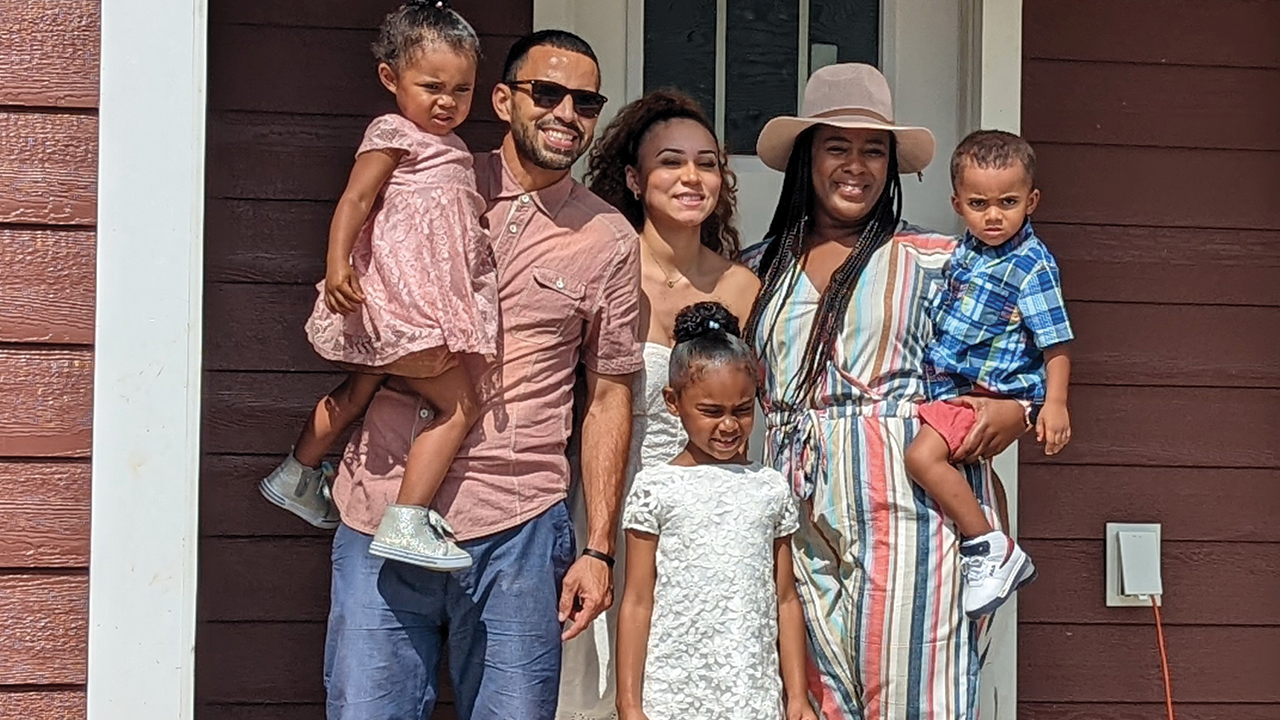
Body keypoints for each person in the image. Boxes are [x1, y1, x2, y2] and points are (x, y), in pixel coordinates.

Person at [322, 30, 642, 720]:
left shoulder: (610, 239)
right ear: (502, 100)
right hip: (381, 503)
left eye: (586, 102)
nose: (566, 114)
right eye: (546, 93)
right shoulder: (424, 175)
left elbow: (609, 394)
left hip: (517, 524)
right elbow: (345, 301)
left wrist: (598, 549)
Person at [746, 63, 1032, 719]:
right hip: (793, 505)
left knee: (911, 693)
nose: (856, 166)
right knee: (813, 698)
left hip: (909, 508)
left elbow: (1017, 362)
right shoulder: (758, 270)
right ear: (807, 157)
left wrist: (1012, 411)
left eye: (873, 150)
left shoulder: (938, 261)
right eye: (837, 147)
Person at [258, 0, 497, 571]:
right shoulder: (393, 132)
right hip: (402, 307)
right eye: (432, 87)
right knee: (460, 404)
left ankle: (296, 473)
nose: (447, 102)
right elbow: (357, 199)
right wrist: (337, 264)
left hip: (408, 308)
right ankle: (407, 519)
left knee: (357, 393)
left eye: (461, 90)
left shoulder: (454, 149)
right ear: (391, 79)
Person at [557, 89, 759, 720]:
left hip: (705, 516)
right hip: (609, 502)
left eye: (706, 163)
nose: (691, 177)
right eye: (671, 162)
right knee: (597, 685)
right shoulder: (600, 266)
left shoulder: (743, 285)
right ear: (633, 179)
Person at [614, 302, 817, 720]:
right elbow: (636, 600)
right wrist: (628, 703)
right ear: (673, 402)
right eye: (711, 412)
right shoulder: (655, 488)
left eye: (742, 410)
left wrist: (797, 696)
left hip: (750, 689)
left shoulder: (769, 487)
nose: (728, 426)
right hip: (674, 691)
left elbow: (785, 598)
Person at [905, 130, 1074, 618]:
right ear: (957, 204)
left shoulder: (1031, 266)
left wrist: (1055, 404)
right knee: (979, 473)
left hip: (991, 392)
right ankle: (1000, 537)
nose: (994, 215)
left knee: (921, 458)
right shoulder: (966, 253)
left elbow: (1056, 340)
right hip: (952, 387)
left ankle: (986, 546)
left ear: (1031, 201)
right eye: (979, 204)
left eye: (1008, 202)